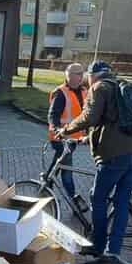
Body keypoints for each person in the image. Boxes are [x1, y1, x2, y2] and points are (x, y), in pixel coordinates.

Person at [58, 61, 132, 264]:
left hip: (116, 156)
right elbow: (112, 122)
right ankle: (113, 252)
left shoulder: (99, 88)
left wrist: (66, 130)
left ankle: (97, 244)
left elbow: (90, 117)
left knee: (97, 197)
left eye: (87, 76)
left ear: (93, 76)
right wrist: (87, 139)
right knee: (121, 202)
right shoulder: (121, 87)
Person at [47, 63, 87, 198]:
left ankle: (46, 184)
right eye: (78, 73)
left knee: (59, 162)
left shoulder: (84, 91)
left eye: (82, 73)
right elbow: (53, 115)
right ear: (69, 75)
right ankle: (73, 198)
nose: (81, 76)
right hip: (60, 138)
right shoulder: (61, 93)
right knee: (66, 169)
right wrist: (56, 129)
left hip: (74, 138)